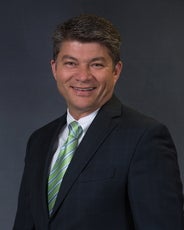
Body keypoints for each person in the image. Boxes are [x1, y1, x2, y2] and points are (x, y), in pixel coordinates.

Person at [13, 14, 184, 230]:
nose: (83, 76)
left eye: (96, 64)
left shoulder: (145, 138)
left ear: (116, 71)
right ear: (55, 68)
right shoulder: (39, 141)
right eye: (71, 63)